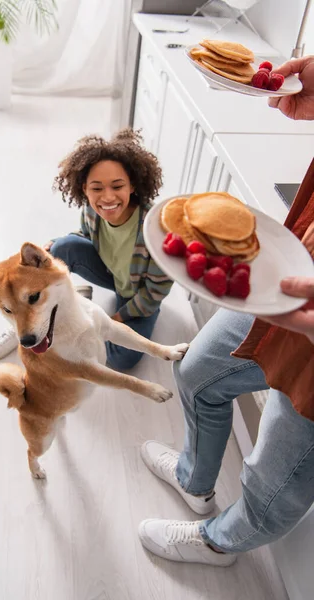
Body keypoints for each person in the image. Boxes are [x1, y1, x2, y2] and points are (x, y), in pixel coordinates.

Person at [138, 55, 314, 567]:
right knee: (197, 371)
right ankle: (196, 481)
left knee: (273, 484)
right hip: (297, 272)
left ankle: (218, 543)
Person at [0, 129, 174, 370]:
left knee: (122, 358)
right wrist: (52, 249)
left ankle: (74, 306)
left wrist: (115, 319)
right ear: (84, 189)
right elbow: (86, 238)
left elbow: (155, 293)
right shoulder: (93, 210)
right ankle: (22, 325)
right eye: (97, 188)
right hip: (112, 274)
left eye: (117, 186)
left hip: (138, 293)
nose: (107, 197)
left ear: (132, 185)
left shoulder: (158, 228)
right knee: (62, 247)